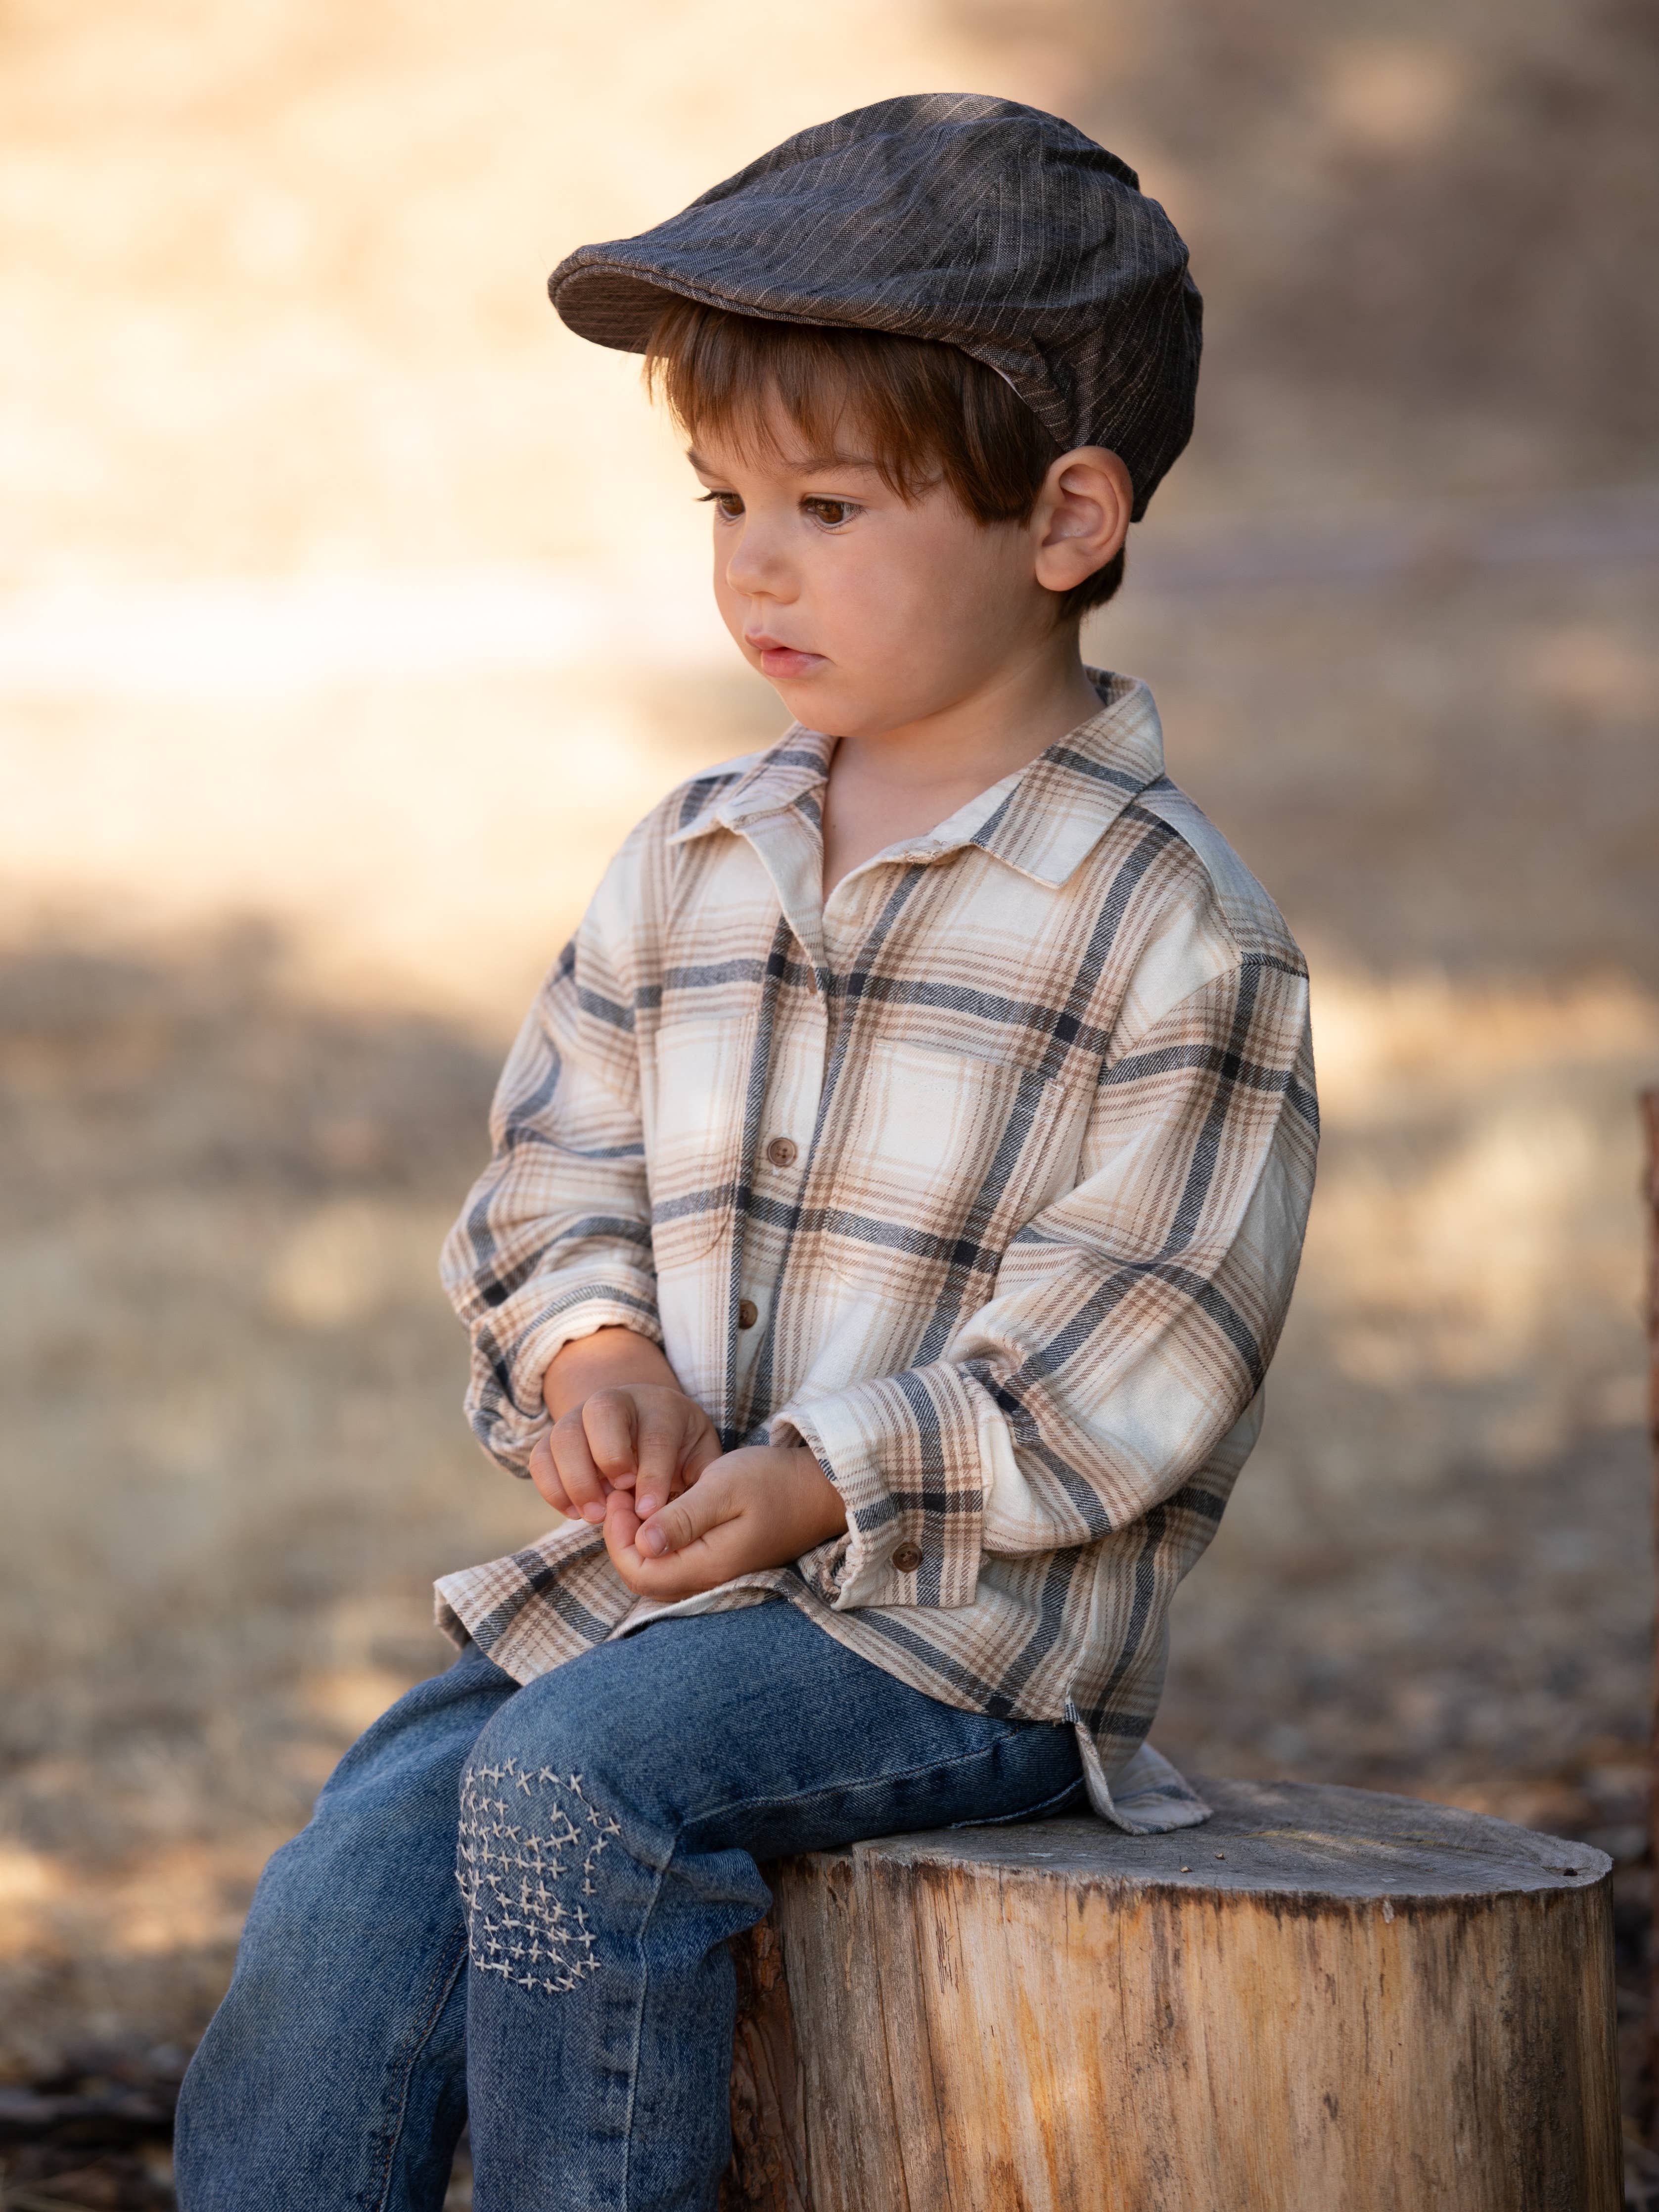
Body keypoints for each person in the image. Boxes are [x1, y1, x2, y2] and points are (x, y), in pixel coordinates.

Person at [175, 92, 1318, 2212]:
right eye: (718, 501)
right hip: (637, 1607)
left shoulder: (1166, 927)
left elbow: (1138, 1355)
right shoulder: (690, 854)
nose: (751, 566)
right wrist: (590, 1343)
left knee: (573, 1789)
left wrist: (822, 1473)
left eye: (823, 500)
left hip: (955, 1643)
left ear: (1062, 517)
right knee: (348, 1880)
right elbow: (557, 1159)